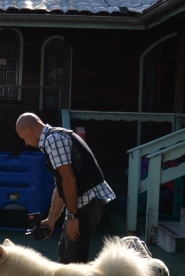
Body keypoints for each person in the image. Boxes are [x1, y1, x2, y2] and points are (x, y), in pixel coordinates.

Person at [16, 112, 116, 264]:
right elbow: (61, 185)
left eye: (23, 138)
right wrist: (51, 220)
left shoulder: (53, 140)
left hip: (87, 201)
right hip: (82, 202)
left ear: (29, 129)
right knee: (65, 252)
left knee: (72, 263)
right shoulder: (52, 140)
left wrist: (73, 217)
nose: (26, 143)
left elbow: (69, 180)